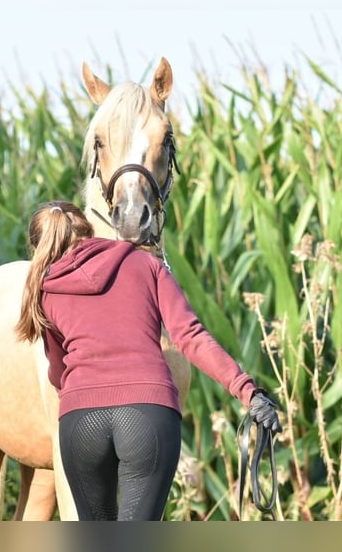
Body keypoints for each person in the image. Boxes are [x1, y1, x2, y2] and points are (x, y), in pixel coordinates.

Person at [16, 200, 281, 521]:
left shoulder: (45, 290)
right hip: (146, 414)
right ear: (88, 227)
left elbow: (59, 373)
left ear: (40, 246)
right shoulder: (145, 264)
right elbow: (190, 336)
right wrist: (247, 391)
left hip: (82, 423)